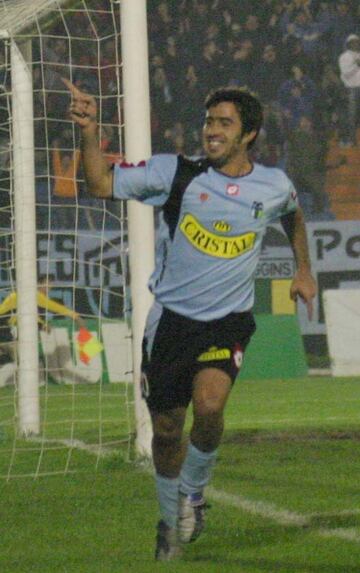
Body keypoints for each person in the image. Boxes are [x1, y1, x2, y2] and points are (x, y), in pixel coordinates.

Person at [64, 80, 317, 561]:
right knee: (165, 429)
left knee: (210, 404)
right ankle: (167, 520)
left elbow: (293, 214)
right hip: (173, 323)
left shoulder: (273, 185)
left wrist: (304, 269)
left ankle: (193, 496)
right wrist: (91, 129)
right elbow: (99, 184)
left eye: (225, 123)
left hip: (228, 320)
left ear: (249, 135)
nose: (212, 131)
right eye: (208, 122)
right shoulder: (174, 174)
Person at [338, 33, 360, 146]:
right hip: (351, 89)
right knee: (352, 115)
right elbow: (346, 75)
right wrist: (356, 66)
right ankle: (350, 139)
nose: (357, 43)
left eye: (358, 41)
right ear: (349, 44)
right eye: (354, 42)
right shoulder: (344, 57)